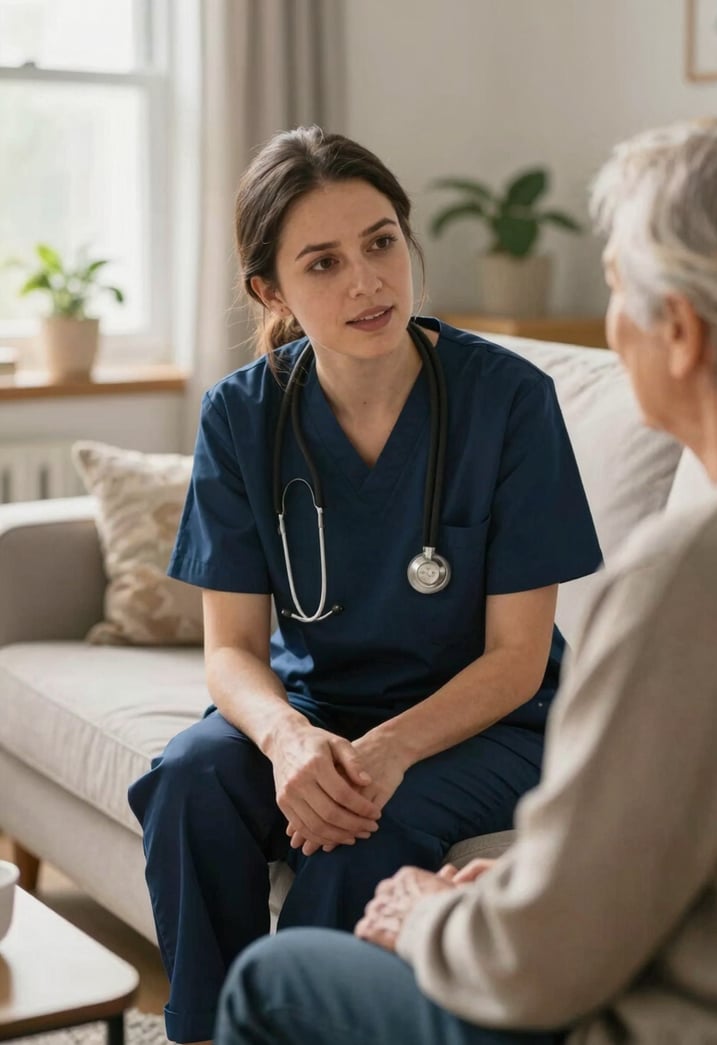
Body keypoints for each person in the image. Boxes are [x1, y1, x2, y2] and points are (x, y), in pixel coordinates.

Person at [214, 115, 717, 1045]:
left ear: (676, 329)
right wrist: (510, 890)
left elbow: (547, 960)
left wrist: (428, 913)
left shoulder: (692, 576)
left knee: (275, 979)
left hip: (672, 1017)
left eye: (615, 291)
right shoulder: (247, 412)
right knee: (196, 778)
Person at [126, 126, 602, 1044]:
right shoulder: (242, 415)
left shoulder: (508, 400)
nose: (367, 282)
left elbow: (516, 660)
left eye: (381, 242)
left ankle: (290, 1024)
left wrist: (381, 753)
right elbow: (228, 649)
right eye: (324, 262)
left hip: (496, 724)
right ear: (272, 290)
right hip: (317, 704)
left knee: (368, 827)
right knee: (190, 780)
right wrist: (289, 737)